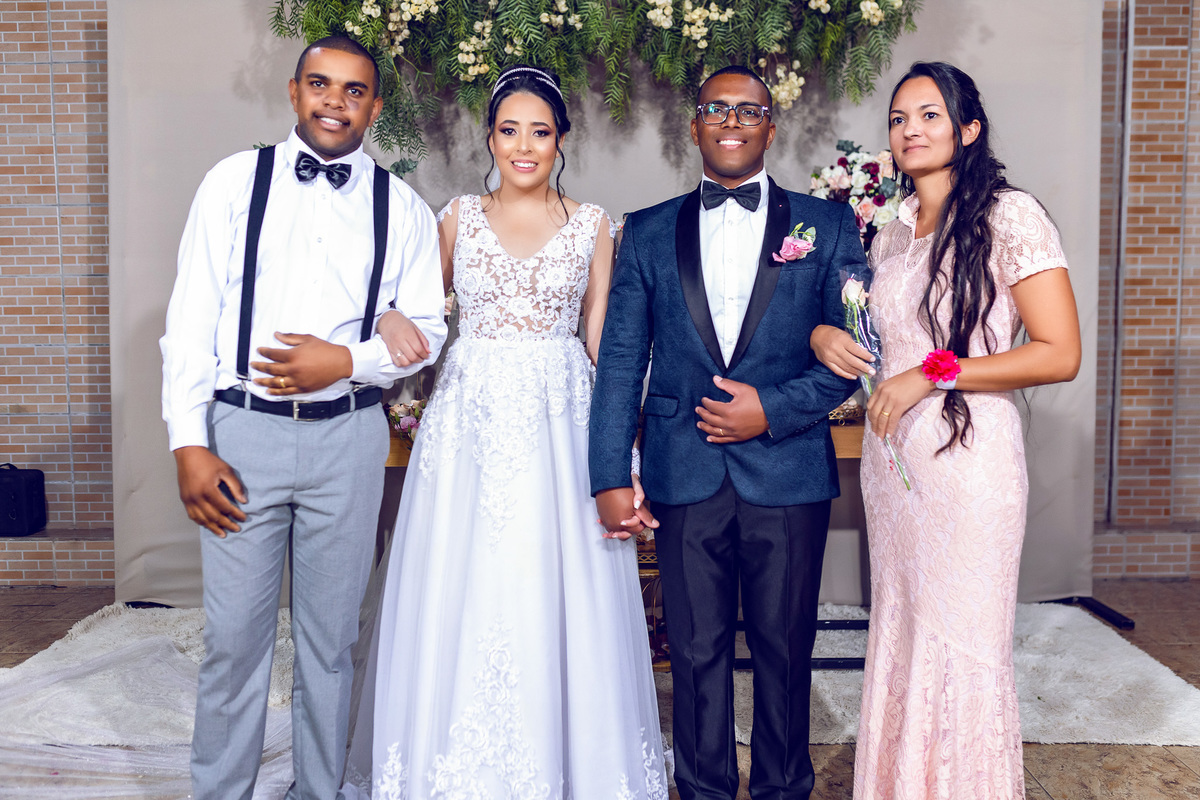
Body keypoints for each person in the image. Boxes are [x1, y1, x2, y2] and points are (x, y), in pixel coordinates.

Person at [352, 64, 668, 799]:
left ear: (561, 140)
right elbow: (418, 314)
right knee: (464, 576)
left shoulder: (593, 225)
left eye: (540, 132)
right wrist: (388, 317)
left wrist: (628, 446)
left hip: (562, 417)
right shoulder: (457, 217)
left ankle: (571, 762)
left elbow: (602, 339)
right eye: (509, 130)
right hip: (472, 420)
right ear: (490, 138)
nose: (524, 146)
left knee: (560, 578)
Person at [159, 36, 447, 800]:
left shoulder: (402, 208)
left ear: (374, 107)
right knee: (233, 641)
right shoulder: (231, 184)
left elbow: (426, 329)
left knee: (332, 643)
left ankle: (322, 791)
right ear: (294, 93)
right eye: (320, 84)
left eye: (354, 90)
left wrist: (347, 361)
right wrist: (189, 444)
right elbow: (190, 321)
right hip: (240, 435)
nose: (334, 102)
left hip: (348, 438)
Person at [590, 66, 865, 800]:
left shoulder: (827, 226)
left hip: (788, 468)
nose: (732, 121)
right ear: (695, 126)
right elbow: (622, 358)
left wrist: (771, 408)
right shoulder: (647, 230)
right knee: (694, 651)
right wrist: (610, 474)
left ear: (771, 126)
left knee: (786, 649)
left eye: (749, 110)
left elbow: (854, 351)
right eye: (717, 108)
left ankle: (783, 788)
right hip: (684, 469)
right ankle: (703, 789)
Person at [810, 61, 1082, 799]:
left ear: (968, 129)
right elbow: (879, 346)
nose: (911, 130)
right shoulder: (890, 235)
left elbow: (1059, 353)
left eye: (930, 115)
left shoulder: (1008, 215)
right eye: (899, 118)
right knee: (901, 635)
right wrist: (825, 338)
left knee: (961, 643)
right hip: (896, 473)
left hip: (968, 462)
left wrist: (934, 374)